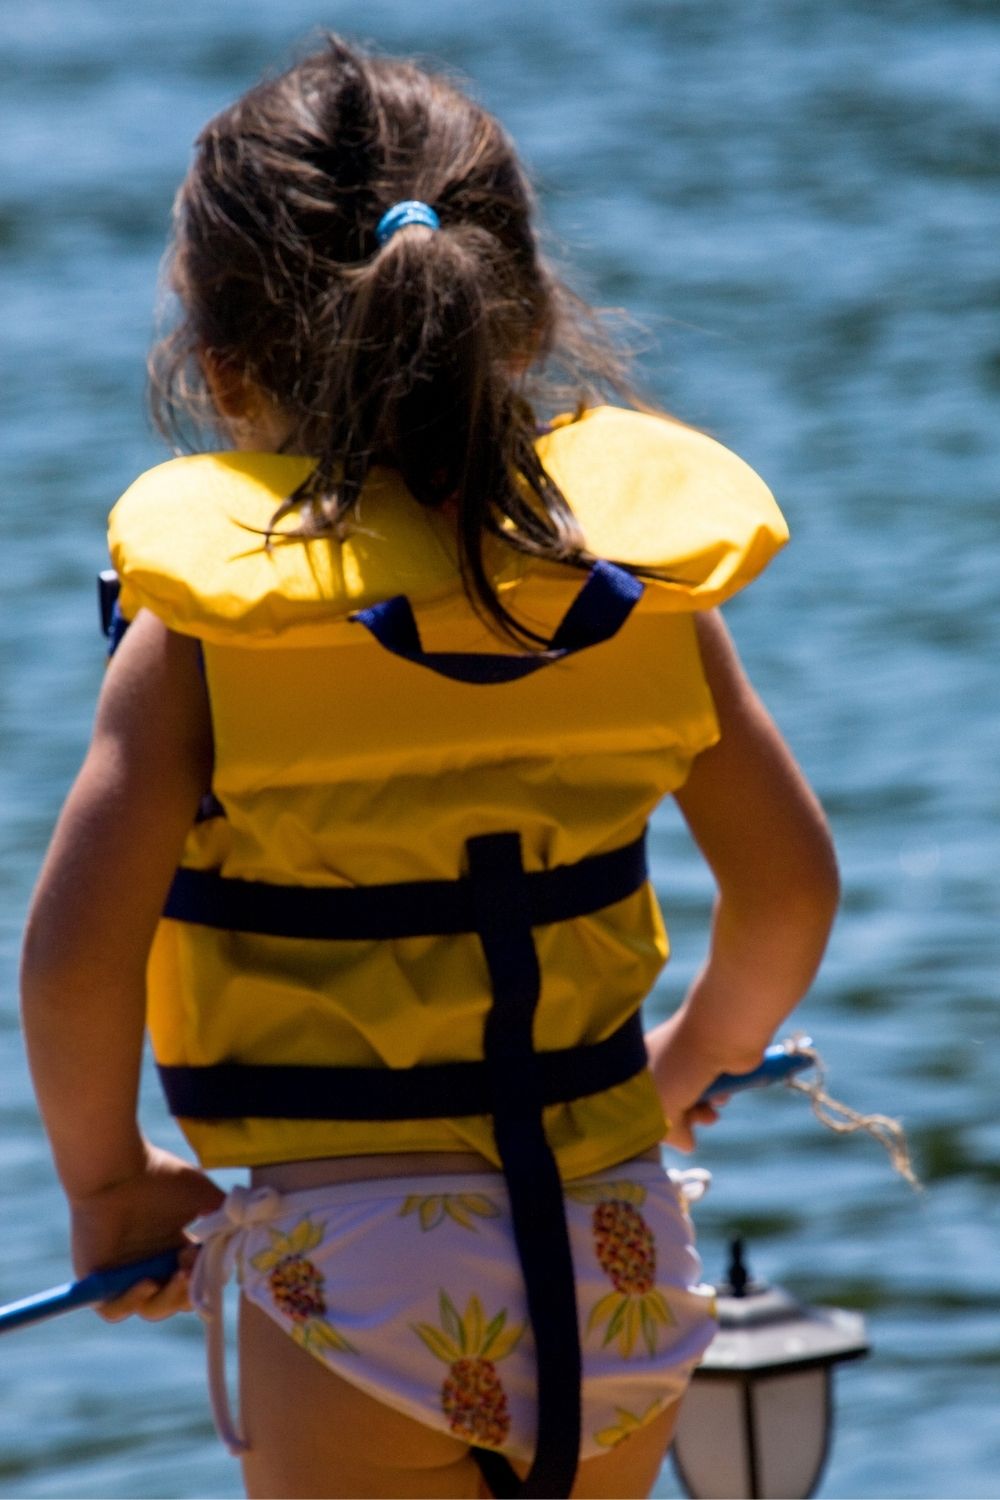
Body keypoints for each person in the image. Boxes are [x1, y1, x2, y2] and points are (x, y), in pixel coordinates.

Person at [19, 34, 839, 1500]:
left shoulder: (206, 632)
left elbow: (78, 958)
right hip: (621, 1255)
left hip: (360, 1270)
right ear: (515, 325)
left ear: (218, 367)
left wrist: (108, 1184)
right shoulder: (631, 590)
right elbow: (790, 889)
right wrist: (684, 1065)